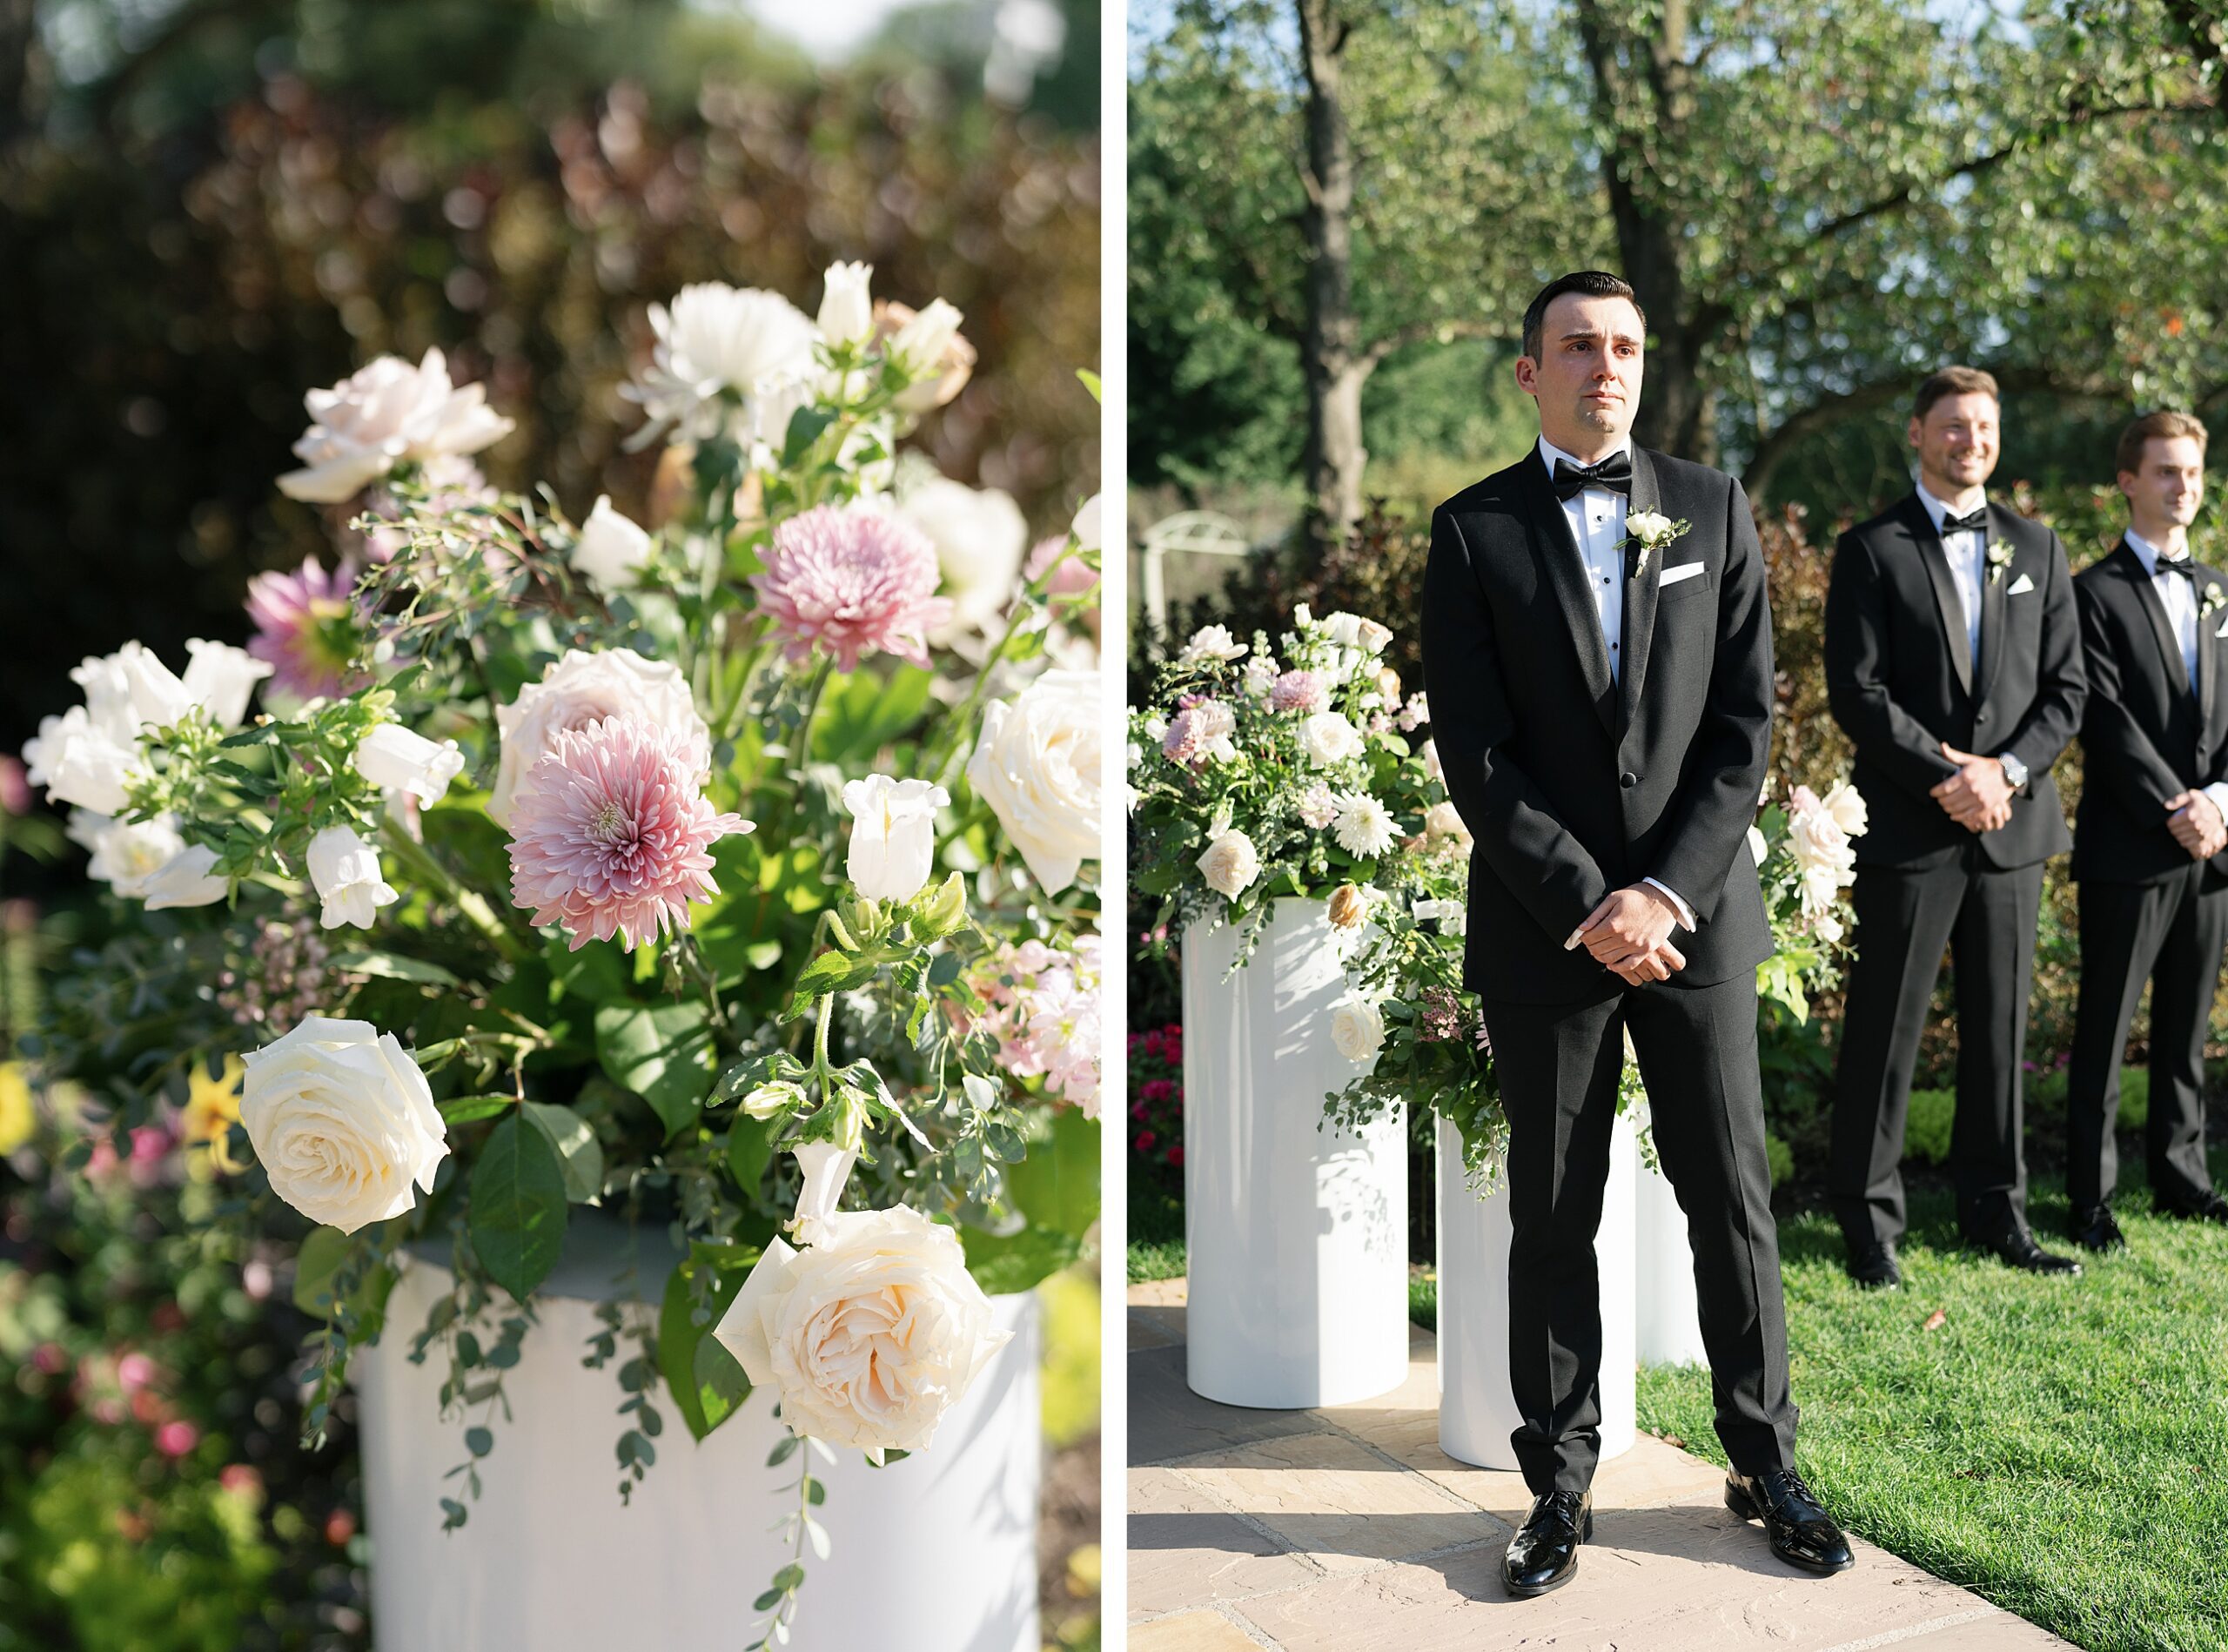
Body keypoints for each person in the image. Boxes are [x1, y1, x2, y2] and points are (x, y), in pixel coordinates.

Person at [1421, 270, 1852, 1599]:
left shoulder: (1711, 508)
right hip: (1545, 933)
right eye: (1576, 346)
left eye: (1623, 347)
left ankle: (1763, 1461)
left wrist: (1661, 892)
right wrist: (1584, 902)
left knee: (1731, 1195)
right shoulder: (1473, 527)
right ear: (1527, 371)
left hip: (1699, 920)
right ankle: (1557, 1482)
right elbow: (1475, 751)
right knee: (1553, 1212)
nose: (1603, 366)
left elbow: (1744, 728)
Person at [1822, 367, 2088, 1286]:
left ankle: (1995, 1211)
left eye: (1981, 425)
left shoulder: (2038, 550)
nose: (1968, 439)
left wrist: (2003, 771)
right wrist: (1948, 775)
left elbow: (2067, 689)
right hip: (1911, 825)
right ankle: (1866, 1219)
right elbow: (1854, 691)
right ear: (1917, 433)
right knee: (1885, 1028)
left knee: (1997, 1028)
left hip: (2011, 825)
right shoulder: (1870, 548)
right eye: (1950, 425)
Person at [2064, 410, 2228, 1249]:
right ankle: (2089, 1198)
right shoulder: (2091, 594)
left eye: (2192, 473)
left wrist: (2221, 803)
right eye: (2166, 471)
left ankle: (2181, 1174)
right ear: (2128, 481)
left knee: (2185, 1025)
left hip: (2214, 847)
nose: (2183, 487)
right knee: (2108, 1024)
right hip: (2131, 844)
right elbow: (2106, 718)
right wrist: (2179, 804)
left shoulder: (2219, 591)